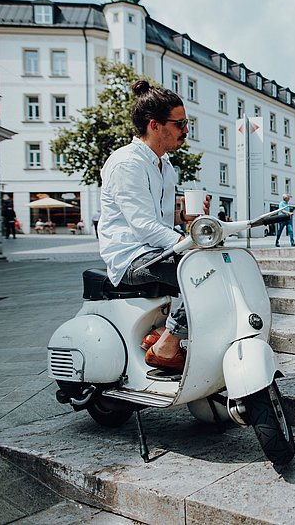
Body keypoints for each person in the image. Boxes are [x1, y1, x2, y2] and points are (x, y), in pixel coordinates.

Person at [98, 79, 208, 372]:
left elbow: (157, 217)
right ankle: (167, 345)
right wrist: (189, 243)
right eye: (180, 123)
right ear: (154, 125)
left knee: (213, 265)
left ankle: (160, 334)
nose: (186, 130)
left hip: (152, 251)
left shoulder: (165, 165)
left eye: (187, 123)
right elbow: (143, 226)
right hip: (130, 258)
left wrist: (183, 218)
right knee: (199, 272)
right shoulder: (127, 163)